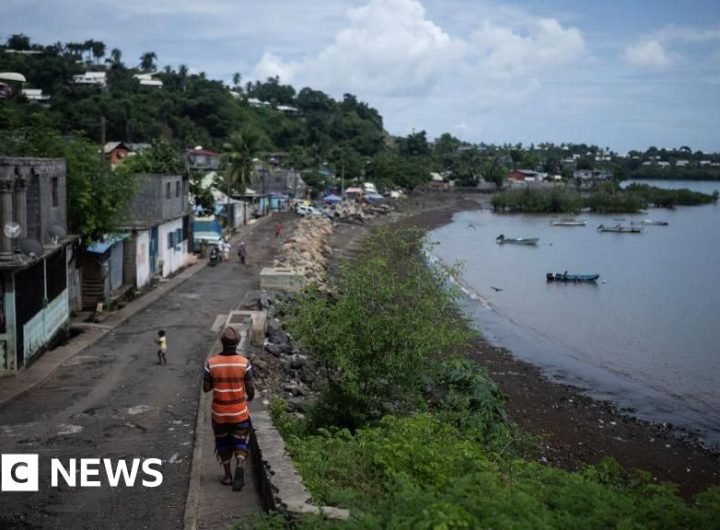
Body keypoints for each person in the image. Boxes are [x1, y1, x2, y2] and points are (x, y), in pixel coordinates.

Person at [203, 327, 254, 490]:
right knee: (241, 439)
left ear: (222, 342)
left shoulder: (211, 362)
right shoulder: (244, 363)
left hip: (219, 413)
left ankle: (227, 476)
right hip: (239, 411)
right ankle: (240, 462)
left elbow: (206, 388)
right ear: (237, 342)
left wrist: (217, 379)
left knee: (222, 441)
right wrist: (249, 397)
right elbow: (250, 389)